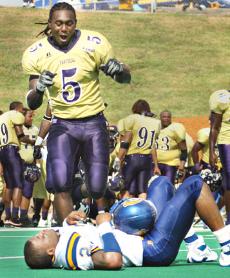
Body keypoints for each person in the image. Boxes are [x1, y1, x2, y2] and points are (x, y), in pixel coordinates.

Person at [22, 2, 131, 224]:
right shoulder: (37, 52)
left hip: (94, 123)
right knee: (60, 183)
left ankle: (96, 221)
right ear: (50, 24)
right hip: (63, 124)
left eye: (69, 23)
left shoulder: (94, 42)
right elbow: (33, 102)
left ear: (75, 24)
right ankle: (68, 234)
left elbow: (125, 78)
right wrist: (40, 88)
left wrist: (120, 70)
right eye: (59, 23)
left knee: (98, 186)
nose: (64, 28)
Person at [24, 175, 230, 269]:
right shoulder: (68, 252)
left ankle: (196, 248)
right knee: (194, 184)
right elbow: (113, 260)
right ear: (51, 252)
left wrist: (69, 221)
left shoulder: (61, 238)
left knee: (162, 183)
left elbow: (68, 232)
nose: (40, 233)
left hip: (138, 235)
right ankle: (227, 247)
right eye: (39, 238)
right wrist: (104, 226)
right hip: (153, 249)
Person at [115, 99, 161, 199]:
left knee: (124, 189)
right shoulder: (156, 122)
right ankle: (143, 213)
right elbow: (153, 146)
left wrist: (118, 158)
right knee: (142, 191)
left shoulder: (132, 119)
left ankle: (125, 213)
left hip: (132, 158)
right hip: (147, 160)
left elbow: (125, 142)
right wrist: (156, 165)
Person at [0, 101, 35, 227]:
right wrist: (33, 142)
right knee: (18, 185)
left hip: (2, 150)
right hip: (12, 150)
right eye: (21, 110)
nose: (22, 112)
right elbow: (21, 136)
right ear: (17, 109)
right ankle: (15, 217)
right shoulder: (15, 114)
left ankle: (8, 216)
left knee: (9, 185)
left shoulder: (2, 118)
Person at [209, 89, 230, 225]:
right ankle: (229, 219)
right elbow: (215, 127)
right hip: (228, 142)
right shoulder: (223, 99)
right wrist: (212, 151)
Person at [156, 110, 188, 185]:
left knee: (168, 185)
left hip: (170, 164)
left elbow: (184, 150)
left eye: (168, 117)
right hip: (156, 164)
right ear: (160, 118)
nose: (166, 119)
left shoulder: (175, 129)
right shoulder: (155, 129)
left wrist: (182, 165)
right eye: (164, 117)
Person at [19, 108, 38, 226]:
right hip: (17, 164)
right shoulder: (17, 129)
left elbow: (37, 149)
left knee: (27, 192)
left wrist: (36, 163)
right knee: (14, 191)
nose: (31, 119)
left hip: (30, 165)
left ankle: (23, 216)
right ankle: (11, 216)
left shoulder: (35, 129)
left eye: (32, 117)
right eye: (29, 116)